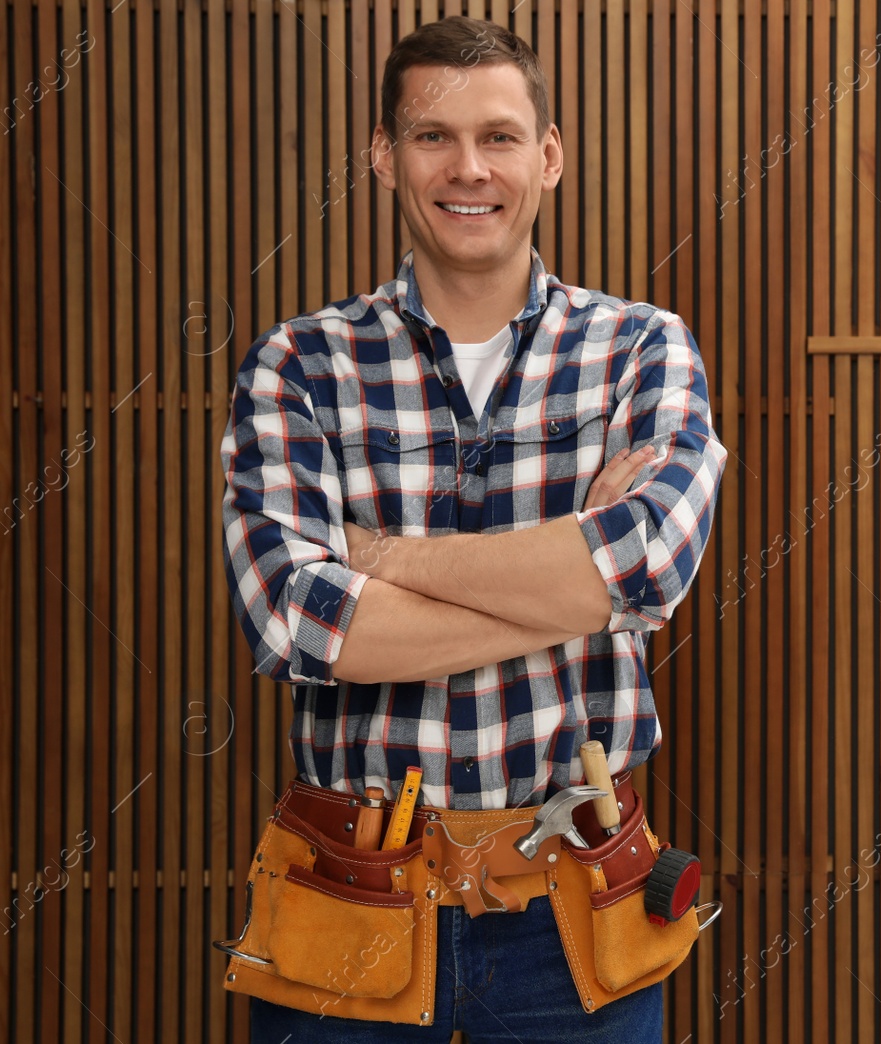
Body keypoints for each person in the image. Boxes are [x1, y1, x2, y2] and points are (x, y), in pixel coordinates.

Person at [219, 15, 726, 1040]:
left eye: (499, 137)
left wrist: (383, 560)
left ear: (548, 156)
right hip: (349, 897)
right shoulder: (300, 365)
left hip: (576, 901)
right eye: (431, 136)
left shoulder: (641, 349)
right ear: (382, 156)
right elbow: (303, 628)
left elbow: (646, 569)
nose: (468, 168)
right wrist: (573, 573)